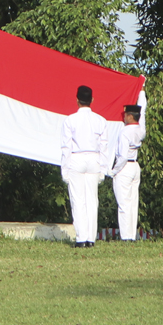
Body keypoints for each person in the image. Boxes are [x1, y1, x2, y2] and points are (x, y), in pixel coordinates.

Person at [60, 85, 110, 248]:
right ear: (92, 100)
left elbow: (66, 147)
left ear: (77, 100)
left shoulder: (70, 120)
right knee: (92, 200)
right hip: (94, 159)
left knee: (78, 199)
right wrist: (103, 169)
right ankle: (91, 238)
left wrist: (64, 169)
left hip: (76, 158)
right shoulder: (100, 121)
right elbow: (104, 147)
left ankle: (81, 238)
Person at [111, 91, 147, 241]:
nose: (123, 117)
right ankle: (131, 235)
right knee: (133, 203)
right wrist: (141, 92)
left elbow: (123, 156)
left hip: (125, 167)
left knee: (123, 204)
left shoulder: (124, 132)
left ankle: (126, 236)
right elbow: (143, 109)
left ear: (130, 116)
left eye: (125, 114)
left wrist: (114, 170)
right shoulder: (141, 129)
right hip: (135, 166)